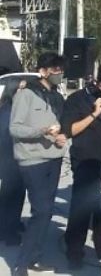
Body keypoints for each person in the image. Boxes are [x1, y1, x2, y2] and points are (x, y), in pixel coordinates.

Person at [9, 52, 67, 276]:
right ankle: (21, 264)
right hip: (32, 158)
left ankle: (34, 256)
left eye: (60, 70)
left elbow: (61, 124)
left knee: (47, 210)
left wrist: (61, 136)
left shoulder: (56, 95)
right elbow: (15, 128)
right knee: (41, 211)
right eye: (54, 70)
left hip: (54, 156)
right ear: (43, 71)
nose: (58, 74)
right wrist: (41, 131)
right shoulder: (26, 94)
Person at [62, 63, 101, 270]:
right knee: (82, 208)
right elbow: (69, 130)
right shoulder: (77, 99)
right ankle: (74, 250)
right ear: (97, 81)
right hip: (86, 160)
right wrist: (94, 114)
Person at [0, 78, 26, 247]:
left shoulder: (8, 108)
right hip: (11, 158)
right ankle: (8, 232)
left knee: (12, 195)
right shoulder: (9, 111)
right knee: (12, 196)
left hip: (12, 158)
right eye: (21, 89)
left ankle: (11, 225)